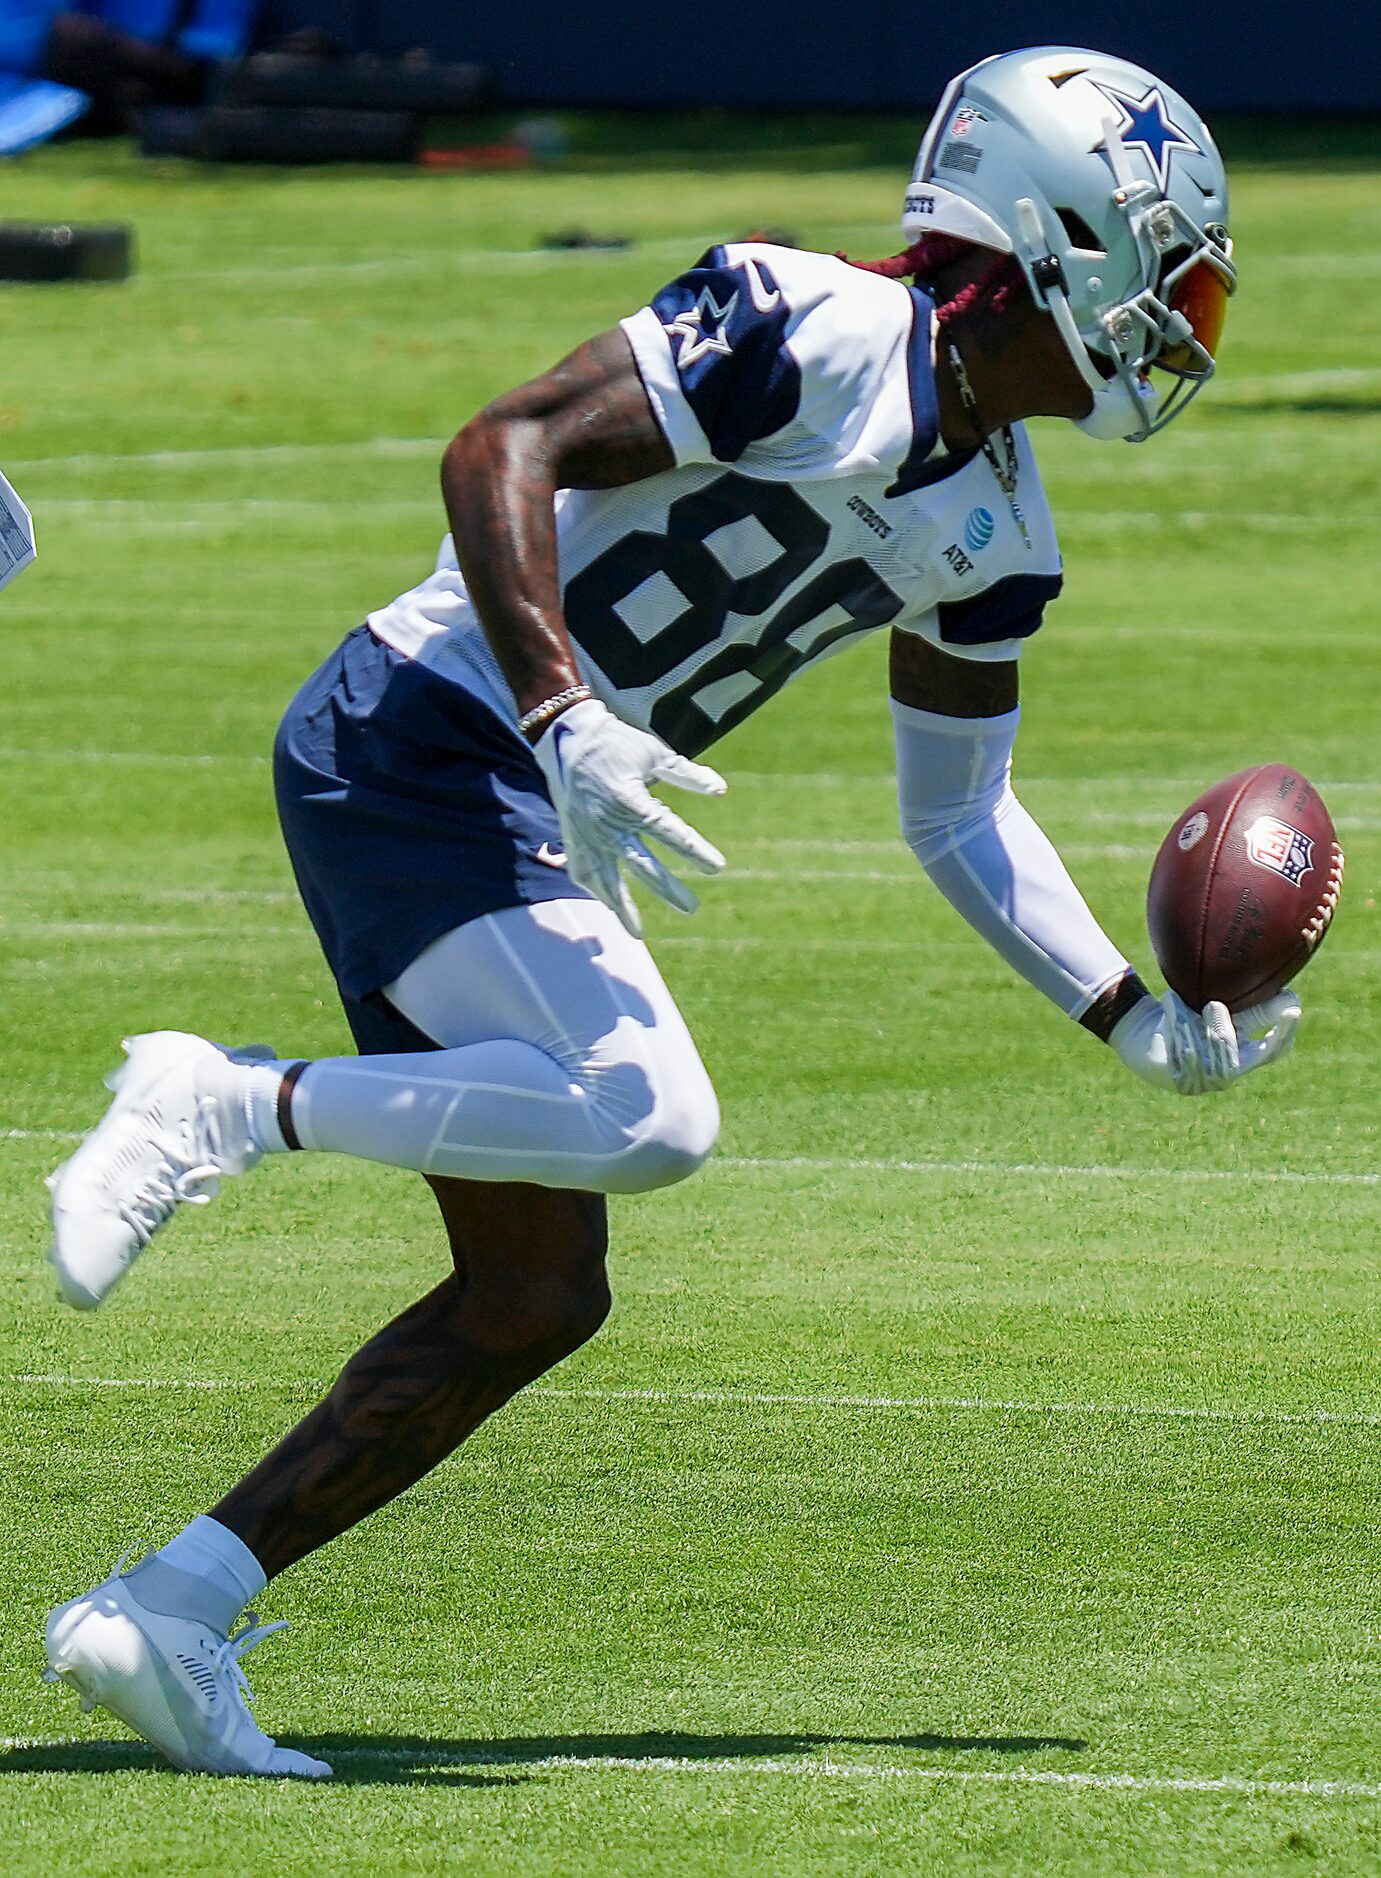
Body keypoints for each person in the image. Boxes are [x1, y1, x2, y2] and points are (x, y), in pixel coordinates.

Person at [41, 45, 1300, 1778]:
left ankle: (168, 1609)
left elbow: (960, 810)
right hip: (422, 729)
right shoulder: (811, 322)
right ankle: (224, 1101)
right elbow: (505, 445)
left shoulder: (996, 523)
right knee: (653, 1116)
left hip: (514, 796)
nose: (1180, 319)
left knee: (530, 1293)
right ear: (1053, 236)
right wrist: (564, 711)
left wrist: (1128, 1013)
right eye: (1168, 267)